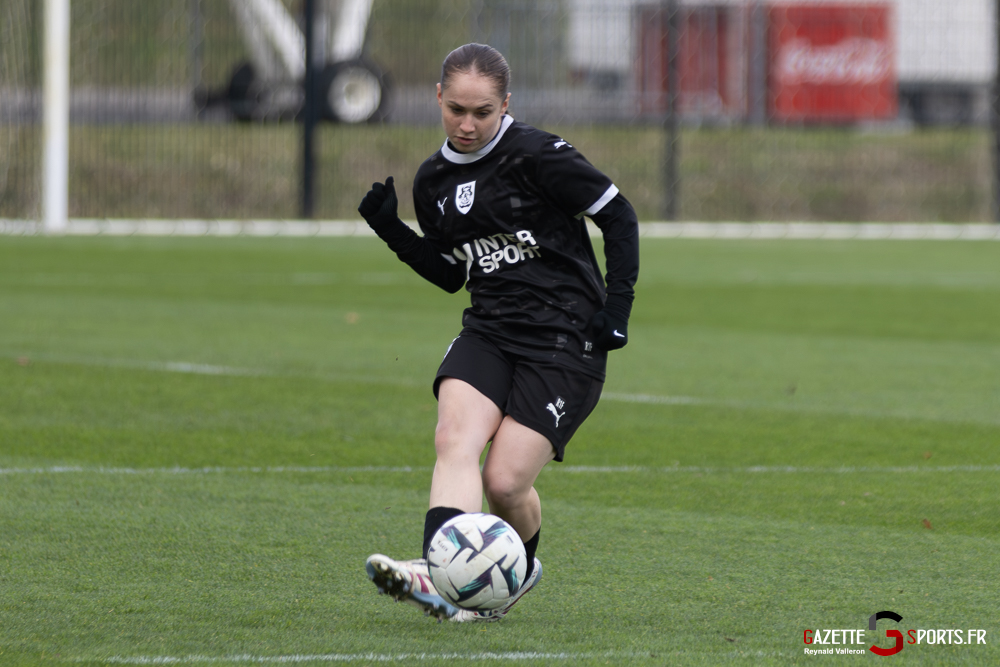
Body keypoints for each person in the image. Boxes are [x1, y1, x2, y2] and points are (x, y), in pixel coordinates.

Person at [357, 43, 639, 622]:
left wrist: (618, 308)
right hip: (489, 330)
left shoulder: (538, 155)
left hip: (565, 340)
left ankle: (514, 574)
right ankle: (441, 577)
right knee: (452, 441)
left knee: (505, 483)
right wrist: (393, 230)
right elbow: (452, 274)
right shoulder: (432, 181)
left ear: (505, 104)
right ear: (437, 97)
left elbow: (618, 215)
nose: (467, 123)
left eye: (482, 112)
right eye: (456, 108)